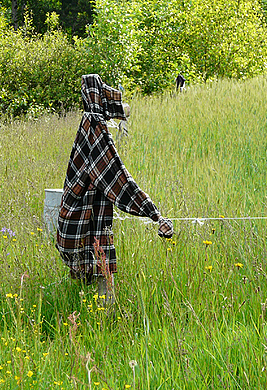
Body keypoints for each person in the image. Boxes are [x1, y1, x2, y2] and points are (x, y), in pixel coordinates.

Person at [56, 74, 173, 304]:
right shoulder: (96, 130)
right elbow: (118, 180)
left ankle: (98, 316)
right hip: (86, 225)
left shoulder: (87, 123)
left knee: (94, 271)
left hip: (74, 221)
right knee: (102, 273)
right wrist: (154, 214)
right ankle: (103, 318)